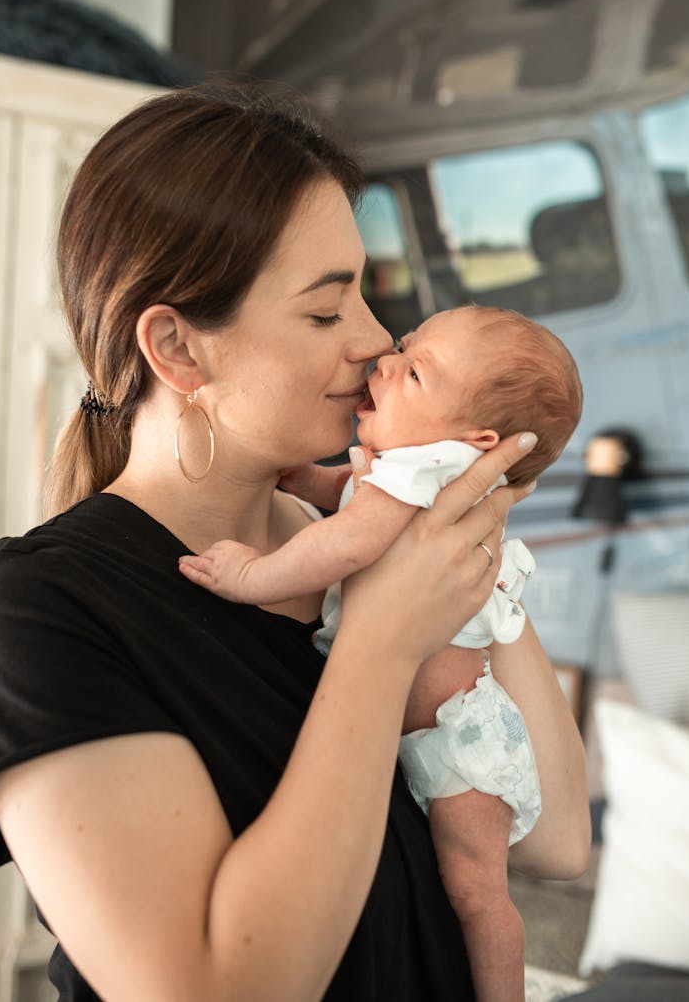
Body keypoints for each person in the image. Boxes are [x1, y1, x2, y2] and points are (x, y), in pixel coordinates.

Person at [0, 81, 590, 1002]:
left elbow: (558, 836)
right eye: (326, 311)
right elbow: (217, 988)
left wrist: (470, 565)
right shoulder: (42, 611)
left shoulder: (366, 538)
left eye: (368, 297)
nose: (377, 342)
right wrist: (380, 641)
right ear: (178, 350)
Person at [178, 303, 583, 1002]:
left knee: (478, 892)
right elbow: (361, 497)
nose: (381, 355)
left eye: (415, 371)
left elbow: (354, 537)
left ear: (479, 438)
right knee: (474, 889)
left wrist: (251, 576)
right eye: (325, 308)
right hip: (453, 730)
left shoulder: (447, 472)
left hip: (462, 740)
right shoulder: (425, 470)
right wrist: (315, 483)